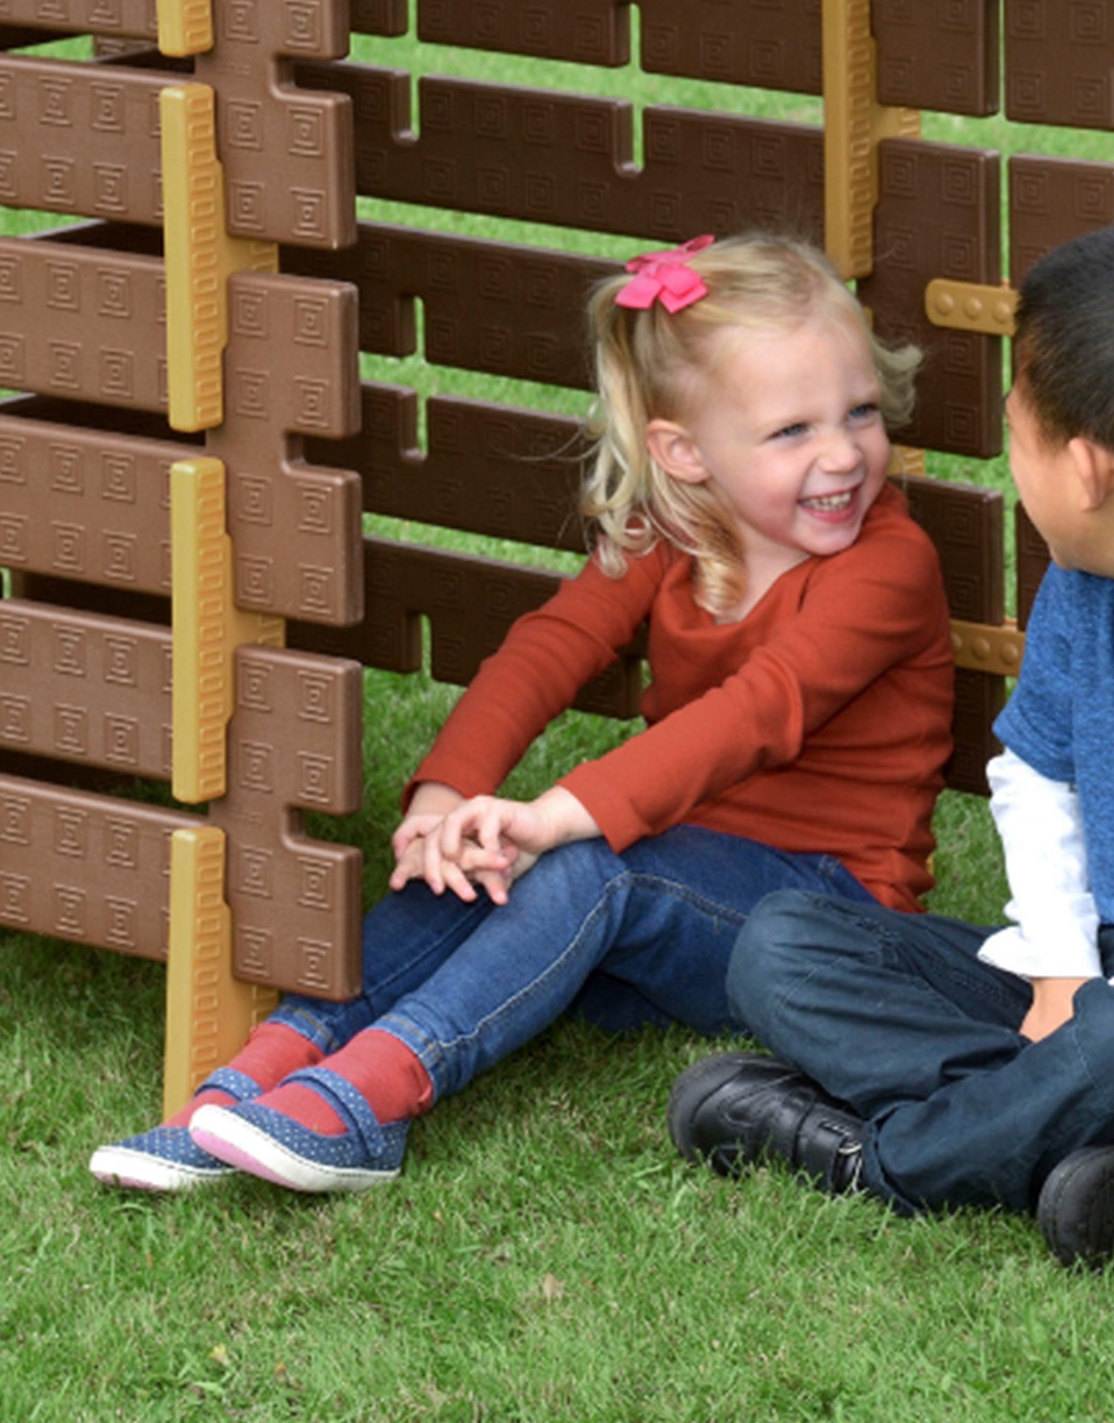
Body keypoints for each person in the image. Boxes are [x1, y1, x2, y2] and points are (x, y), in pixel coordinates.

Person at [92, 230, 954, 1196]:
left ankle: (373, 1097)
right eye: (793, 431)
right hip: (671, 886)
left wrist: (555, 816)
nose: (843, 454)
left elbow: (754, 715)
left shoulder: (888, 566)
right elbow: (551, 648)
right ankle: (266, 1068)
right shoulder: (674, 531)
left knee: (586, 861)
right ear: (686, 453)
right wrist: (446, 798)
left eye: (861, 413)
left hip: (821, 919)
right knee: (486, 856)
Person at [666, 209, 1114, 1266]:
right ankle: (1090, 1146)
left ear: (1088, 473)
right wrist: (1057, 977)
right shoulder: (1084, 587)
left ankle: (886, 1161)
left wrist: (1107, 1016)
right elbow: (1036, 775)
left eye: (1015, 434)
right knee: (783, 943)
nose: (1010, 463)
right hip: (1092, 977)